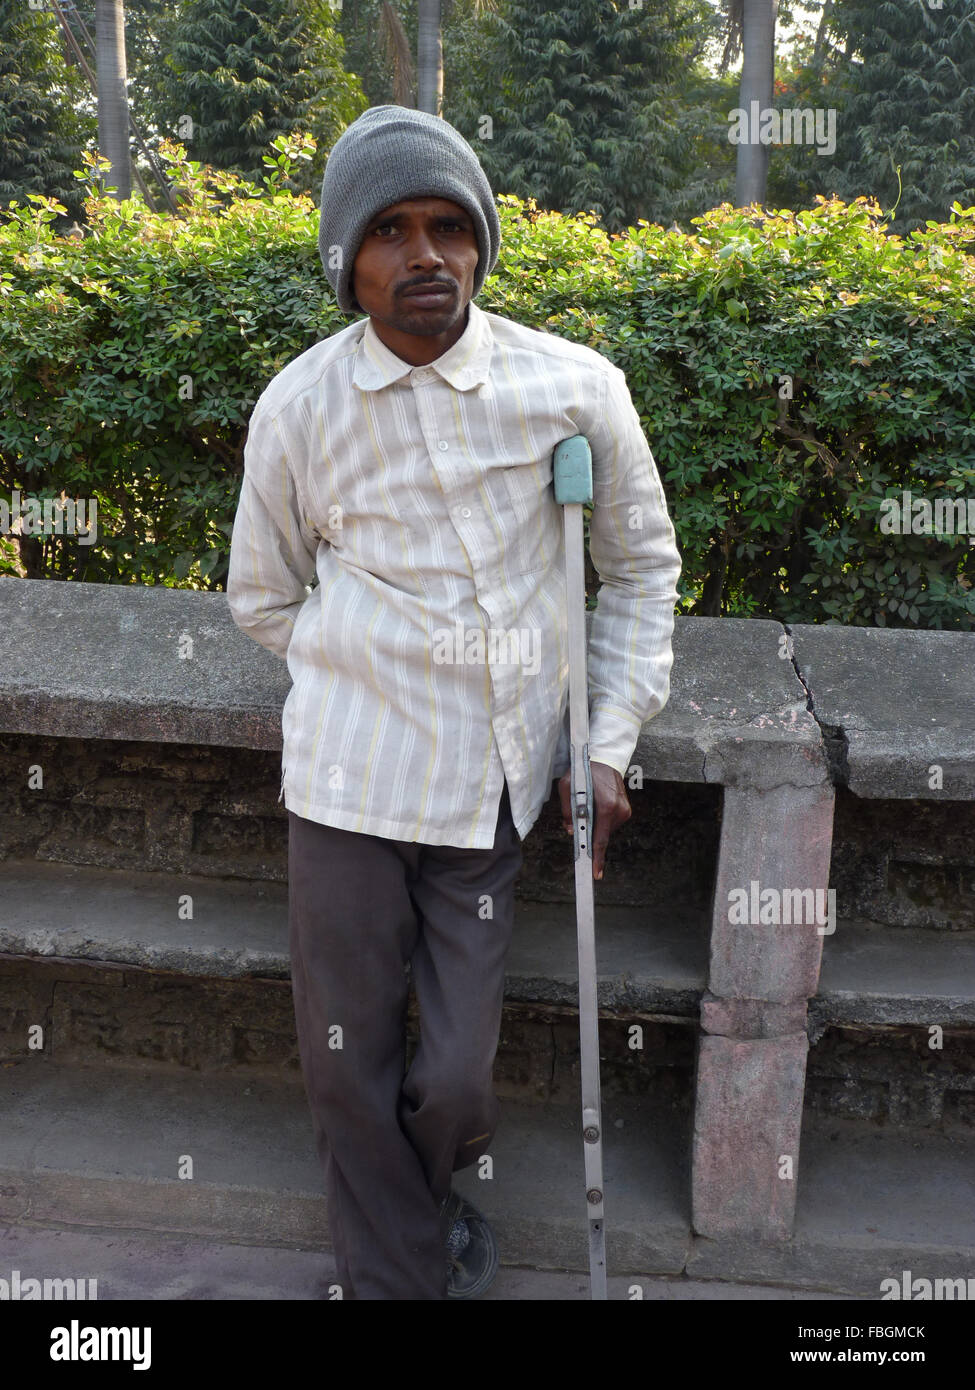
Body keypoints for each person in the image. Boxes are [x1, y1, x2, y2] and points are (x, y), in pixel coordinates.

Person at [226, 104, 682, 1301]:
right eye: (389, 230)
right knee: (347, 1064)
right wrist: (363, 666)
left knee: (457, 1081)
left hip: (489, 791)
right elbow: (264, 597)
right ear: (346, 260)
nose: (424, 255)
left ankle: (420, 1208)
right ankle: (400, 1278)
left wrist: (610, 744)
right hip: (344, 785)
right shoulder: (301, 408)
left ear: (480, 244)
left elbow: (639, 571)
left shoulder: (572, 389)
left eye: (448, 227)